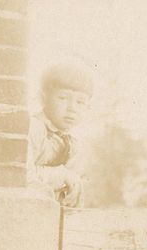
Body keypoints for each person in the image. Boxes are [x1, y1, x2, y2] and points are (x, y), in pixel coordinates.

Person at [26, 63, 93, 207]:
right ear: (43, 98)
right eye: (63, 98)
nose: (72, 108)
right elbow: (21, 175)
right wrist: (62, 175)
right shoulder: (34, 128)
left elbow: (75, 181)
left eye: (80, 102)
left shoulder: (75, 141)